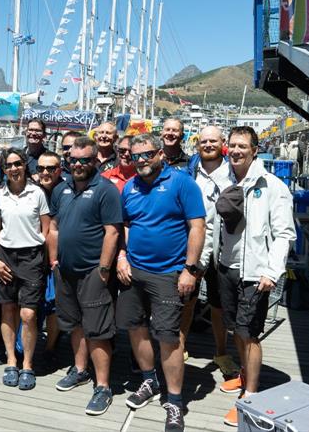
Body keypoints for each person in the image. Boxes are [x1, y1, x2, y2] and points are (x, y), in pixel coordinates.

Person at [116, 134, 206, 432]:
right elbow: (126, 225)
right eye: (136, 155)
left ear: (160, 155)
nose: (141, 160)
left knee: (169, 337)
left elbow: (197, 226)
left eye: (148, 154)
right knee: (135, 327)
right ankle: (149, 380)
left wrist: (190, 269)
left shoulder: (182, 183)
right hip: (134, 271)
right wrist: (122, 257)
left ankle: (176, 401)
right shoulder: (130, 187)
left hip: (169, 273)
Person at [216, 126, 295, 427]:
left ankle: (250, 394)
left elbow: (284, 234)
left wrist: (272, 272)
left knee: (250, 333)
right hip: (227, 266)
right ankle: (244, 375)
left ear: (254, 149)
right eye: (232, 146)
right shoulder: (224, 180)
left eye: (242, 146)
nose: (235, 151)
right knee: (236, 329)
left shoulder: (273, 186)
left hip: (256, 272)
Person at [48, 137, 122, 416]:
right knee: (74, 324)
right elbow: (53, 227)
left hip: (94, 271)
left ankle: (103, 386)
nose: (78, 165)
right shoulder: (61, 189)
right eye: (73, 160)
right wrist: (54, 260)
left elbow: (112, 232)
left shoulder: (106, 190)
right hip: (65, 270)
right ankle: (80, 369)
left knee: (98, 330)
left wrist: (104, 268)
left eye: (85, 160)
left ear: (95, 161)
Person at [179, 126, 240, 378]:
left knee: (219, 303)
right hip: (195, 242)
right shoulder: (191, 171)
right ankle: (179, 348)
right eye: (203, 141)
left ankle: (221, 352)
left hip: (224, 243)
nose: (208, 145)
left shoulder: (234, 172)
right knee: (187, 297)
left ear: (222, 143)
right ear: (197, 145)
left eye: (213, 141)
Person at [0, 148, 50, 390]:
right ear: (3, 169)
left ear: (25, 165)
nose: (13, 169)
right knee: (7, 310)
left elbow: (46, 228)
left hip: (32, 257)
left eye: (17, 164)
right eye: (8, 165)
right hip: (5, 256)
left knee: (29, 315)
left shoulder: (37, 193)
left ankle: (27, 364)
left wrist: (41, 254)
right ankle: (11, 361)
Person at [36, 151, 65, 363]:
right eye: (41, 168)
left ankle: (50, 347)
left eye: (51, 168)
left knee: (54, 305)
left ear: (59, 170)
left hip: (59, 258)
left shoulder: (68, 190)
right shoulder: (31, 191)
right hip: (33, 257)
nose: (45, 172)